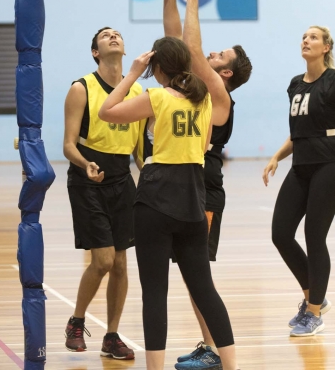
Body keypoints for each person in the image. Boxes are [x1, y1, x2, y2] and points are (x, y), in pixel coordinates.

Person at [99, 36, 240, 370]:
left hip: (155, 202)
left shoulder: (157, 97)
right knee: (205, 290)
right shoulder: (204, 99)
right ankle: (232, 366)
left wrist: (132, 74)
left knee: (155, 293)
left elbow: (107, 112)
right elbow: (205, 144)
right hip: (193, 200)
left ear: (157, 67)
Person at [145, 0, 252, 370]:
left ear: (225, 73)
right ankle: (209, 346)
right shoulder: (193, 86)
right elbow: (178, 47)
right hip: (177, 184)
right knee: (192, 277)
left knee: (198, 279)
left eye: (218, 56)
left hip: (202, 187)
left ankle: (215, 350)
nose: (209, 55)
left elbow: (190, 46)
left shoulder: (217, 93)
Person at [62, 27, 144, 360]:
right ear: (96, 52)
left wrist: (154, 176)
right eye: (104, 35)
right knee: (104, 260)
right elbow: (68, 145)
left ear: (124, 48)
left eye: (117, 34)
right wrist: (86, 164)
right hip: (88, 179)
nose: (113, 37)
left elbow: (140, 151)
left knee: (122, 265)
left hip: (123, 180)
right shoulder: (81, 88)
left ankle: (111, 336)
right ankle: (76, 320)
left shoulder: (138, 90)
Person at [263, 26, 335, 337]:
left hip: (328, 165)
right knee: (280, 233)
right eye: (304, 37)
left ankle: (315, 312)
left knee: (313, 236)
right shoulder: (296, 84)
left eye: (313, 37)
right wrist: (277, 156)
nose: (306, 41)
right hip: (301, 165)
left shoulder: (333, 81)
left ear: (326, 47)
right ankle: (313, 297)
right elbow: (298, 132)